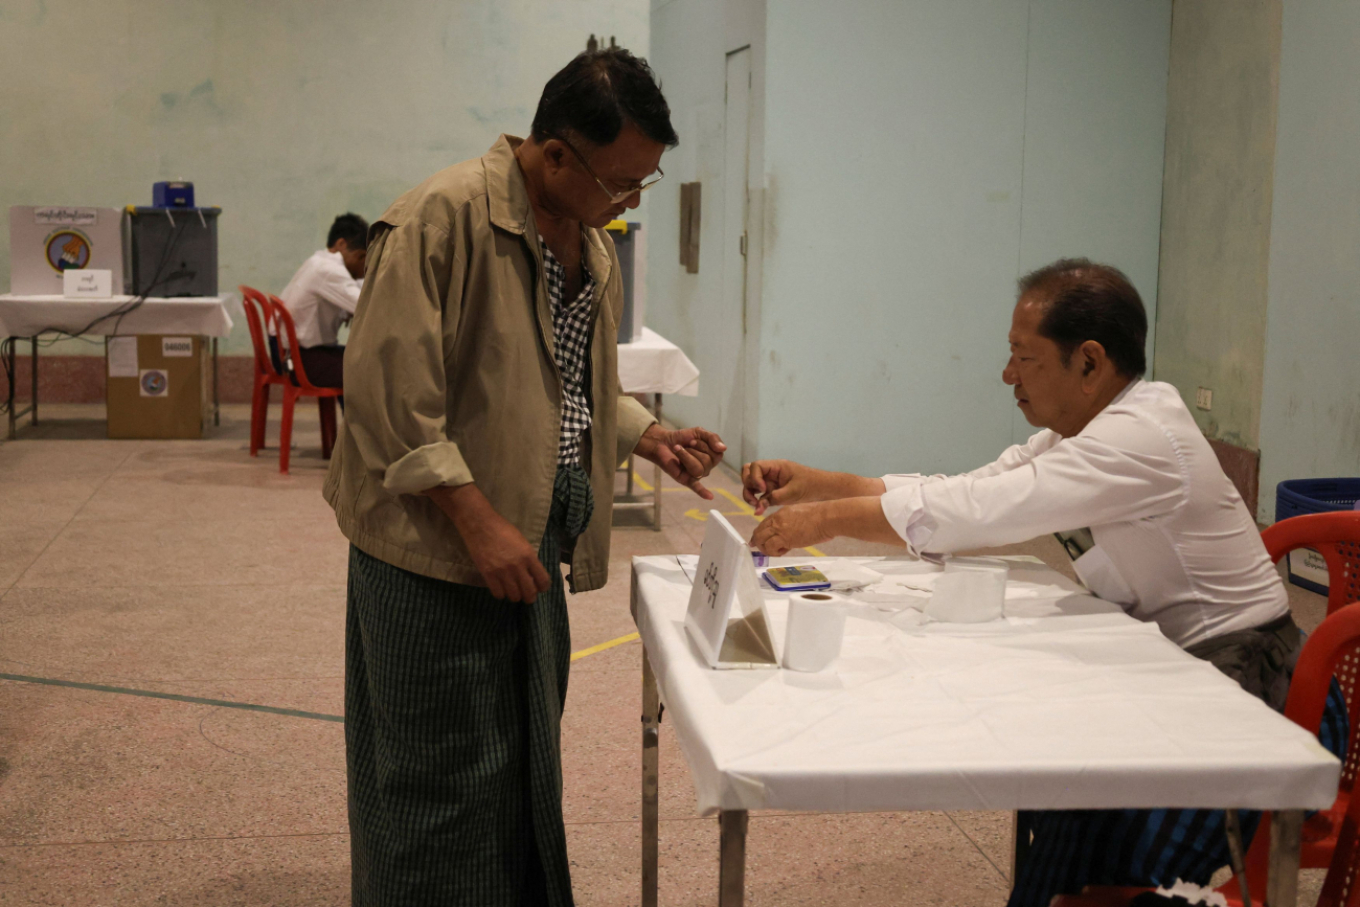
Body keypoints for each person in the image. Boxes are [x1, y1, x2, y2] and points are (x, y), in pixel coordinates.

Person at [741, 258, 1346, 906]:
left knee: (1099, 830)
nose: (1007, 376)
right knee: (1066, 791)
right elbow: (971, 490)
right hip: (1180, 670)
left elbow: (985, 513)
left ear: (1088, 362)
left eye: (1022, 358)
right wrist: (822, 483)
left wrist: (828, 521)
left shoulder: (1139, 436)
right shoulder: (1085, 430)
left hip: (1249, 697)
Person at [324, 48, 726, 907]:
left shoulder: (589, 242)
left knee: (516, 759)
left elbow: (563, 380)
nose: (628, 204)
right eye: (621, 182)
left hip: (529, 534)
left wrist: (648, 433)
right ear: (553, 155)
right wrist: (476, 520)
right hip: (433, 547)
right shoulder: (440, 219)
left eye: (643, 187)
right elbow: (390, 401)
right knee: (433, 777)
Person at [276, 212, 368, 388]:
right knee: (373, 370)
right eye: (361, 257)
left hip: (295, 354)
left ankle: (350, 415)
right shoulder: (329, 270)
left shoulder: (318, 261)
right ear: (341, 244)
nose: (364, 267)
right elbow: (367, 307)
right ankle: (358, 416)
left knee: (363, 361)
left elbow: (354, 289)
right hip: (303, 360)